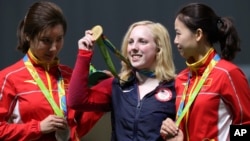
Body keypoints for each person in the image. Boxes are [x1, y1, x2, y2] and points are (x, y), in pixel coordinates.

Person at [0, 1, 104, 141]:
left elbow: (77, 127)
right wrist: (38, 127)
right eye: (46, 40)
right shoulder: (9, 78)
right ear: (28, 36)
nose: (54, 48)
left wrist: (105, 92)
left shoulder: (70, 75)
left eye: (59, 39)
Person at [68, 20, 177, 141]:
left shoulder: (175, 87)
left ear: (159, 48)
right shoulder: (117, 85)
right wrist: (84, 54)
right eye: (130, 42)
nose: (134, 48)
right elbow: (76, 101)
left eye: (142, 41)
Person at [160, 2, 250, 141]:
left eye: (178, 33)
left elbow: (246, 127)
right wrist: (170, 129)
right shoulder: (181, 78)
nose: (175, 41)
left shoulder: (228, 73)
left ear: (198, 34)